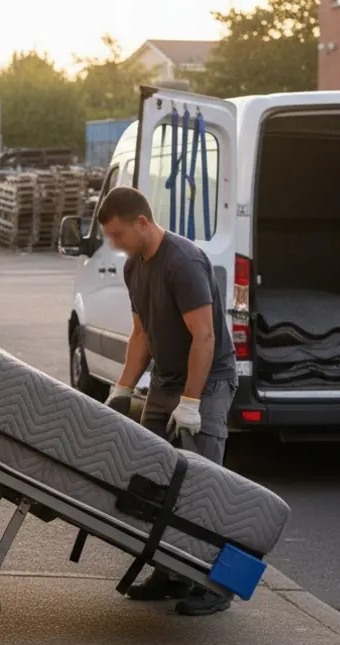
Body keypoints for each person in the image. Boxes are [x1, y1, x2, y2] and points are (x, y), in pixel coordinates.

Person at [96, 186, 239, 616]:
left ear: (142, 222)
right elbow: (141, 334)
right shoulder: (134, 267)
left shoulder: (184, 262)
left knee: (204, 483)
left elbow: (205, 337)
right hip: (165, 380)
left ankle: (217, 585)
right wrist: (123, 389)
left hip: (207, 381)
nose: (114, 244)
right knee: (153, 476)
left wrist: (192, 401)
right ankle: (169, 571)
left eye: (118, 234)